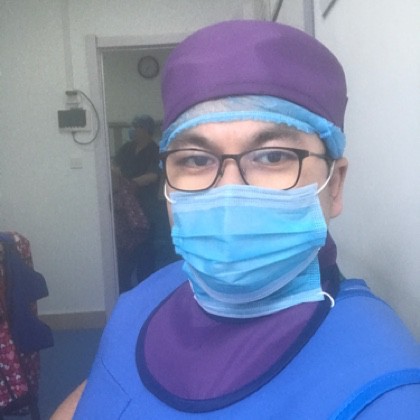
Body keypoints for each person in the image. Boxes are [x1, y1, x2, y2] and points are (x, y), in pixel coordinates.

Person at [53, 20, 420, 419]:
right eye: (195, 159)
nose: (228, 192)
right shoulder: (144, 299)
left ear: (335, 186)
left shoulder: (384, 392)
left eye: (273, 156)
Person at [112, 115, 160, 290]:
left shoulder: (155, 150)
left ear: (146, 130)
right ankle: (124, 293)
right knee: (124, 258)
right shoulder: (127, 148)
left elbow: (153, 175)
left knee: (144, 256)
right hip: (124, 211)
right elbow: (114, 167)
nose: (133, 130)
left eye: (137, 127)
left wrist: (131, 183)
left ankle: (146, 292)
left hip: (145, 209)